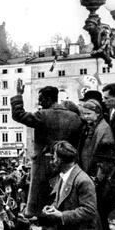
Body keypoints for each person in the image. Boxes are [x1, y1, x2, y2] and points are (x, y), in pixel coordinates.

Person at [11, 80, 83, 217]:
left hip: (43, 165)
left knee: (41, 205)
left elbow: (18, 115)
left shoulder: (42, 115)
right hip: (67, 165)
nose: (40, 103)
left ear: (49, 99)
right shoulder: (75, 118)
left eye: (41, 100)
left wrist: (18, 95)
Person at [40, 141, 100, 230]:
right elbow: (62, 202)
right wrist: (52, 208)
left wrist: (61, 215)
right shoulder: (64, 177)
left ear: (61, 160)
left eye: (54, 158)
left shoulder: (83, 180)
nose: (52, 162)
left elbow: (89, 211)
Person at [79, 99, 115, 177]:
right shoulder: (89, 126)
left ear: (98, 113)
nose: (86, 116)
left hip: (95, 171)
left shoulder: (103, 129)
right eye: (84, 113)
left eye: (89, 114)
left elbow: (106, 157)